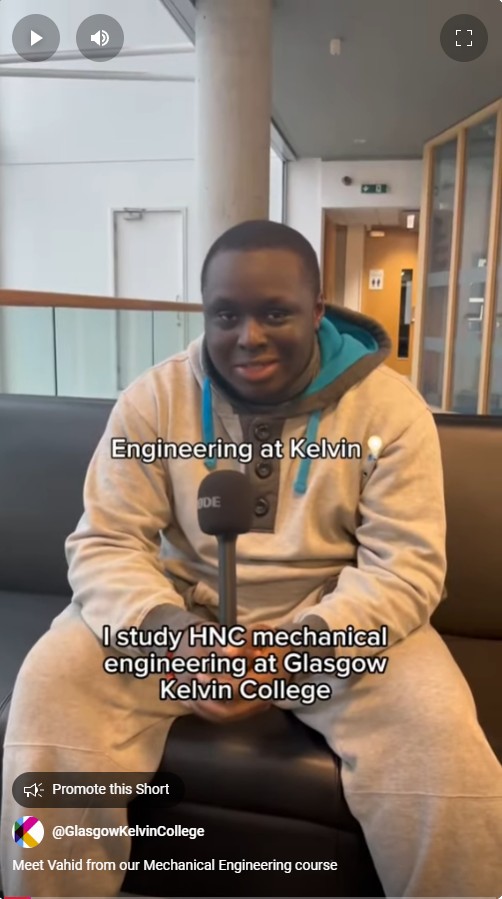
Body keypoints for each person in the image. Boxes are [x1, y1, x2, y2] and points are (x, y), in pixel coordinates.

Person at [1, 220, 501, 898]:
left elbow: (406, 567)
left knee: (440, 737)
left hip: (335, 624)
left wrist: (296, 649)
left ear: (317, 310)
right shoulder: (154, 399)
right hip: (177, 617)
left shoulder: (390, 408)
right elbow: (106, 542)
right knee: (53, 683)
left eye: (275, 313)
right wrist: (172, 636)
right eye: (226, 315)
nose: (248, 336)